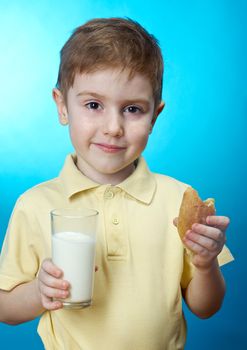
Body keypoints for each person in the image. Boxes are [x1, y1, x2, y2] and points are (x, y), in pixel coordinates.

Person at [0, 17, 233, 349]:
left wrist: (205, 263)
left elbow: (205, 308)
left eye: (133, 109)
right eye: (93, 105)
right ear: (62, 105)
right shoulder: (35, 205)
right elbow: (5, 308)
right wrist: (39, 293)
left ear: (155, 115)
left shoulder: (178, 199)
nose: (113, 127)